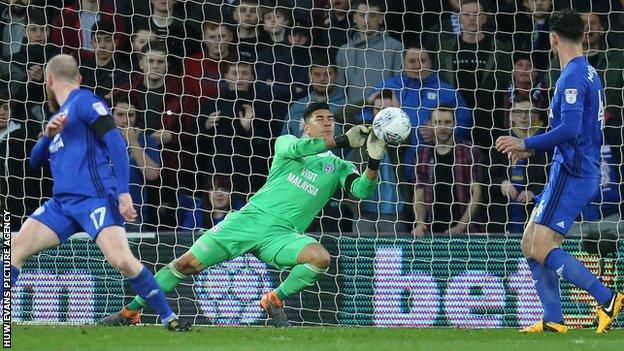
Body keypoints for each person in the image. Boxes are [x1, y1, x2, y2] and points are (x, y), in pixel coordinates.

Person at [98, 102, 386, 328]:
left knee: (320, 257)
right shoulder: (287, 144)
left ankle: (274, 299)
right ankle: (131, 311)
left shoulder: (338, 167)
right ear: (306, 126)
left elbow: (361, 190)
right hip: (247, 222)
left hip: (283, 236)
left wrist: (373, 160)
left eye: (330, 119)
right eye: (319, 119)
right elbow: (301, 148)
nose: (327, 123)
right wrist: (343, 142)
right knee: (184, 265)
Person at [4, 54, 188, 331]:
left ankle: (169, 317)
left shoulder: (86, 101)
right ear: (76, 77)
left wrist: (123, 192)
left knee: (121, 260)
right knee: (14, 249)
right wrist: (47, 135)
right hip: (62, 204)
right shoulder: (58, 118)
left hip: (96, 199)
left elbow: (116, 143)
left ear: (49, 80)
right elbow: (34, 162)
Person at [495, 9, 623, 333]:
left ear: (553, 39)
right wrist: (529, 148)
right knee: (529, 242)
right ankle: (554, 319)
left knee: (541, 246)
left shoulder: (572, 77)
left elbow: (569, 129)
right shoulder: (588, 72)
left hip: (573, 172)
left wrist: (524, 142)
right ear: (582, 36)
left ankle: (607, 298)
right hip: (570, 169)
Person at [412, 106, 484, 236]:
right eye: (437, 122)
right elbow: (419, 192)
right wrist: (420, 223)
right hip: (432, 231)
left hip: (467, 231)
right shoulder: (423, 153)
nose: (442, 127)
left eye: (447, 122)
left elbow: (477, 193)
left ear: (454, 123)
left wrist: (460, 227)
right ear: (430, 125)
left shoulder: (470, 151)